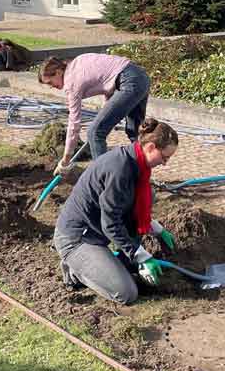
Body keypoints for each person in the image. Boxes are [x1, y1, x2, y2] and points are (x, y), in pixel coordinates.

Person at [52, 119, 179, 305]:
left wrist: (158, 230)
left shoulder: (137, 164)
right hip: (78, 239)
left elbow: (132, 208)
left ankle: (111, 262)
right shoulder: (119, 169)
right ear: (151, 147)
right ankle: (75, 269)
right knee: (126, 293)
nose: (165, 163)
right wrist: (141, 255)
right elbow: (110, 224)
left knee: (148, 195)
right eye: (165, 157)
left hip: (98, 233)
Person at [38, 53, 151, 175]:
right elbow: (108, 78)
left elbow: (74, 124)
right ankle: (143, 178)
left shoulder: (71, 83)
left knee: (95, 132)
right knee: (135, 133)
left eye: (50, 82)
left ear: (59, 72)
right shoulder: (78, 61)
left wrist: (65, 160)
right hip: (140, 76)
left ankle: (104, 180)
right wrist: (108, 111)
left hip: (129, 82)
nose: (52, 87)